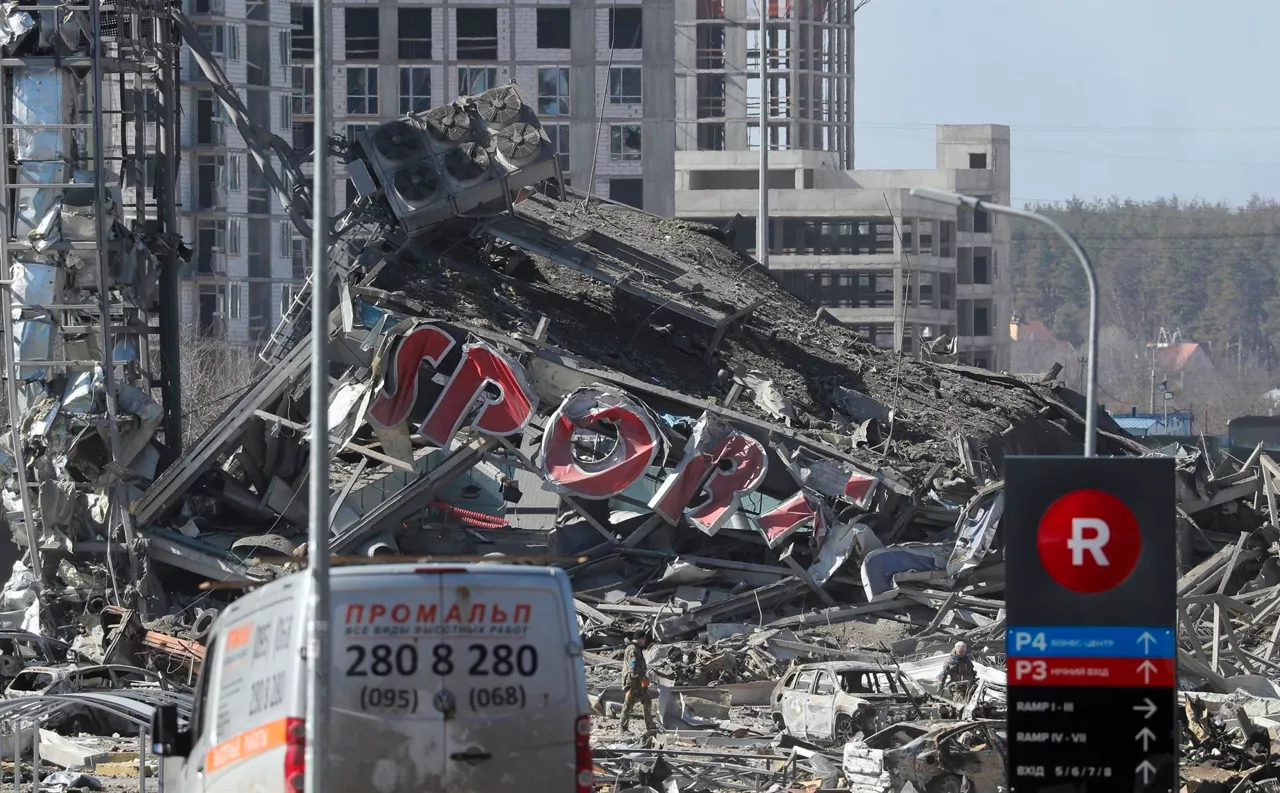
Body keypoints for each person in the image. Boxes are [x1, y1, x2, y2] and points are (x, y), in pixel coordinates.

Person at [619, 632, 657, 733]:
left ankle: (650, 725)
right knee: (628, 704)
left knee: (647, 701)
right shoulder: (633, 649)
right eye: (644, 639)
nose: (645, 641)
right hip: (633, 682)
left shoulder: (636, 649)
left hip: (638, 681)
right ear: (641, 638)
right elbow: (633, 666)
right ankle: (622, 728)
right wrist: (638, 679)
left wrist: (643, 680)